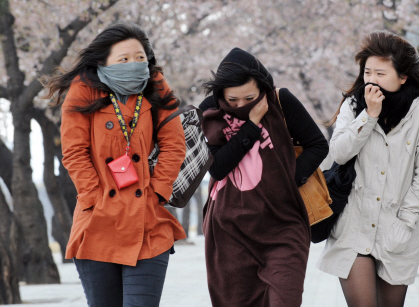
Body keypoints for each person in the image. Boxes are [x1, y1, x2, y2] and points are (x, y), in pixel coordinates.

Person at [46, 22, 187, 307]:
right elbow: (74, 152)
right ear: (103, 61)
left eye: (139, 58)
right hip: (98, 220)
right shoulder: (83, 89)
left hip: (147, 221)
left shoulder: (155, 85)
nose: (133, 64)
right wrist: (92, 197)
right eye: (123, 59)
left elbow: (175, 145)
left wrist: (158, 192)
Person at [317, 31, 419, 307]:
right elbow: (338, 152)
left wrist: (405, 222)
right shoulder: (353, 105)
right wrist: (369, 115)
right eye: (368, 72)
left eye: (381, 74)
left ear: (403, 77)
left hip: (396, 231)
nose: (371, 80)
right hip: (353, 228)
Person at [199, 48, 328, 307]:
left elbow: (318, 144)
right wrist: (252, 125)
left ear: (263, 88)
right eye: (232, 100)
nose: (241, 105)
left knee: (285, 298)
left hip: (283, 225)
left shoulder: (281, 102)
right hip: (229, 228)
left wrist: (288, 181)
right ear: (220, 95)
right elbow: (218, 168)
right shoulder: (210, 112)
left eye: (250, 97)